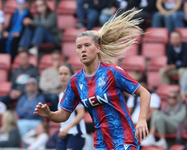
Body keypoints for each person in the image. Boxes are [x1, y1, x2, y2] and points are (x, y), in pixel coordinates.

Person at [34, 9, 151, 150]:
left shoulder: (112, 72)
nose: (83, 49)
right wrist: (49, 114)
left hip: (124, 139)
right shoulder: (75, 81)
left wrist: (142, 120)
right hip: (101, 142)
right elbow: (64, 114)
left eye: (87, 45)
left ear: (97, 48)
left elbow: (145, 93)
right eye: (79, 47)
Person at [56, 64, 86, 150]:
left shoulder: (75, 92)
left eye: (65, 74)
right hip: (63, 133)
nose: (63, 76)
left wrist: (66, 129)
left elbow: (81, 114)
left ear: (71, 76)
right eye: (60, 74)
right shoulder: (61, 94)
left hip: (75, 134)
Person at [16, 78, 45, 147]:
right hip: (24, 120)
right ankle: (25, 147)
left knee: (40, 127)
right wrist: (28, 109)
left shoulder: (40, 97)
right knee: (20, 124)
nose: (31, 87)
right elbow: (19, 112)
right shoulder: (23, 97)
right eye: (29, 85)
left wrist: (25, 109)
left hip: (37, 120)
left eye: (33, 85)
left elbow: (38, 111)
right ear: (26, 87)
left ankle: (34, 146)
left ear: (36, 86)